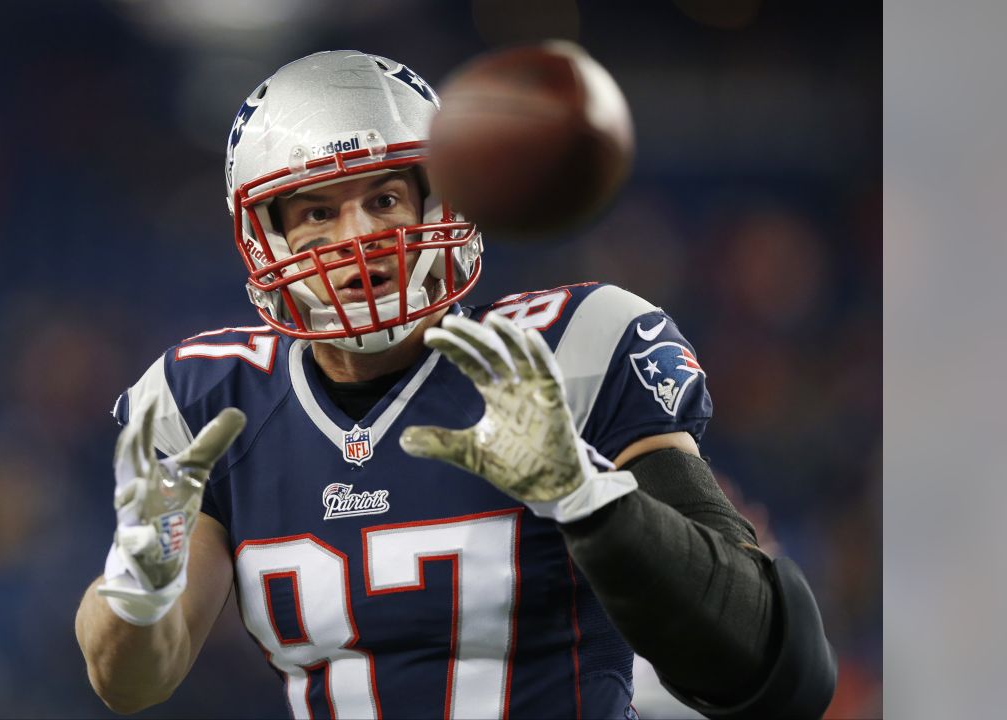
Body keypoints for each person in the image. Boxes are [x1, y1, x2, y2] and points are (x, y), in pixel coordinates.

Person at [74, 50, 836, 719]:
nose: (359, 238)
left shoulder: (568, 348)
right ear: (266, 238)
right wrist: (139, 574)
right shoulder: (212, 399)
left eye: (384, 199)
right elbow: (133, 680)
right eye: (317, 211)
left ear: (441, 204)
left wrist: (587, 497)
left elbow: (776, 669)